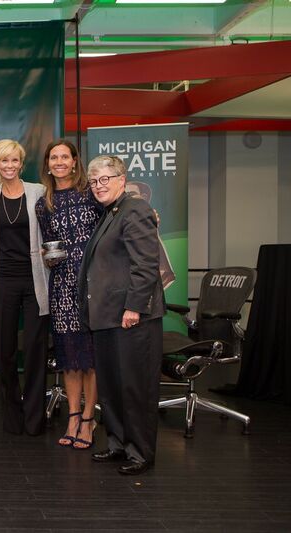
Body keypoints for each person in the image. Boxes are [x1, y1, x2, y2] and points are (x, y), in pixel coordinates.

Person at [78, 155, 165, 475]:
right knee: (113, 387)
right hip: (106, 316)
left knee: (134, 387)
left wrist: (134, 307)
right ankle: (118, 444)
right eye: (94, 181)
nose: (98, 186)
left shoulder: (136, 209)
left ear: (121, 179)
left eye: (105, 179)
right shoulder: (110, 212)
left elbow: (145, 266)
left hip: (131, 318)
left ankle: (140, 452)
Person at [34, 140, 103, 449]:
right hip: (61, 285)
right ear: (47, 164)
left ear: (75, 162)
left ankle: (89, 418)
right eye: (54, 157)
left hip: (94, 285)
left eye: (65, 156)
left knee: (91, 358)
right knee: (70, 357)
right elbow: (52, 246)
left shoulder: (93, 194)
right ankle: (73, 416)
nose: (59, 162)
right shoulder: (44, 203)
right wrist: (47, 256)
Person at [0, 140, 49, 436]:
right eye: (3, 161)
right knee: (5, 353)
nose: (9, 166)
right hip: (3, 281)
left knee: (34, 351)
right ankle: (12, 417)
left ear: (22, 163)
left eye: (14, 161)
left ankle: (34, 419)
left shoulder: (40, 192)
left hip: (35, 280)